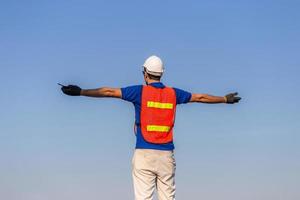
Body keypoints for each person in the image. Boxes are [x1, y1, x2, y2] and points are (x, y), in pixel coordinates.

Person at [60, 55, 241, 200]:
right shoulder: (173, 93)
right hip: (166, 156)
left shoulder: (139, 91)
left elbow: (108, 92)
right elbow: (200, 97)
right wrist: (224, 99)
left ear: (145, 73)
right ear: (161, 74)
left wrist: (81, 92)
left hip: (144, 155)